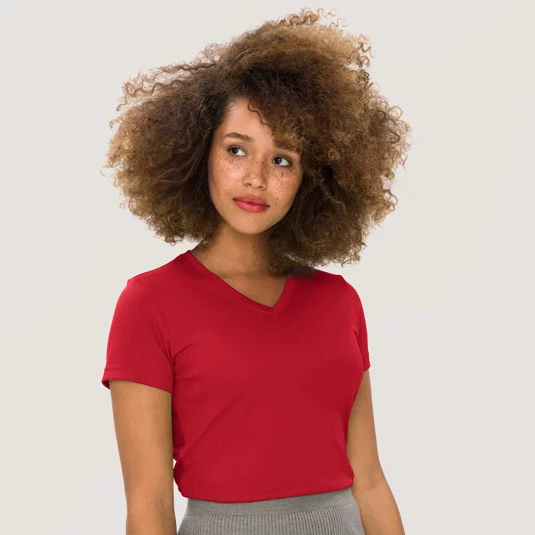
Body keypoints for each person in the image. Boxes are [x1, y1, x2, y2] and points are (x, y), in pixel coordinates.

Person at [100, 7, 411, 535]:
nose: (256, 178)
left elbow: (370, 483)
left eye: (282, 159)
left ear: (313, 177)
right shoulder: (151, 303)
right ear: (199, 153)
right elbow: (149, 503)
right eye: (237, 150)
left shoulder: (338, 301)